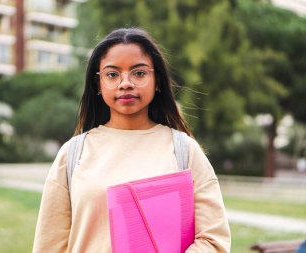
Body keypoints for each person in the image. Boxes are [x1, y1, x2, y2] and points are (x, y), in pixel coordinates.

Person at [32, 27, 231, 253]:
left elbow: (214, 241)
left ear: (157, 81)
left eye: (139, 73)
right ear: (98, 84)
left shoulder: (184, 150)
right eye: (112, 74)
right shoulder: (73, 153)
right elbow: (48, 246)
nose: (125, 83)